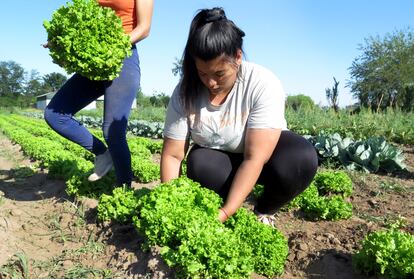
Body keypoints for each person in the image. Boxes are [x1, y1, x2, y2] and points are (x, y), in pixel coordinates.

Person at [161, 7, 318, 225]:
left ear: (237, 56)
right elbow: (173, 155)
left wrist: (225, 213)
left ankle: (264, 210)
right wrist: (171, 203)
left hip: (263, 160)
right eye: (203, 74)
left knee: (300, 158)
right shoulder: (185, 92)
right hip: (222, 160)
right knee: (200, 163)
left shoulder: (262, 82)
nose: (211, 83)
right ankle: (222, 198)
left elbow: (254, 158)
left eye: (219, 74)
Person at [44, 0, 154, 186]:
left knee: (113, 132)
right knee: (54, 114)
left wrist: (111, 47)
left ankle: (124, 190)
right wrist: (64, 41)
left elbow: (144, 28)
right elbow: (82, 17)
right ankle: (103, 154)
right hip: (95, 59)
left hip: (122, 57)